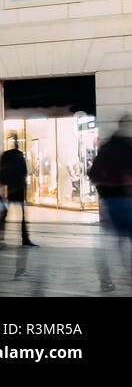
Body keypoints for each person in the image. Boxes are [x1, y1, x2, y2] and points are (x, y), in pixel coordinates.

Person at [88, 116, 132, 293]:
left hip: (108, 200)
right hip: (126, 200)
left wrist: (104, 189)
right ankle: (126, 273)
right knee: (125, 238)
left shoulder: (106, 147)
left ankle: (105, 278)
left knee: (107, 240)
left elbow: (92, 173)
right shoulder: (128, 148)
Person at [0, 138, 35, 247]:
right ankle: (25, 239)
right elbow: (25, 171)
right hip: (19, 188)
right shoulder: (19, 156)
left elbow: (3, 174)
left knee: (5, 213)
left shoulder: (6, 156)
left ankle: (1, 239)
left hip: (10, 189)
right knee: (22, 215)